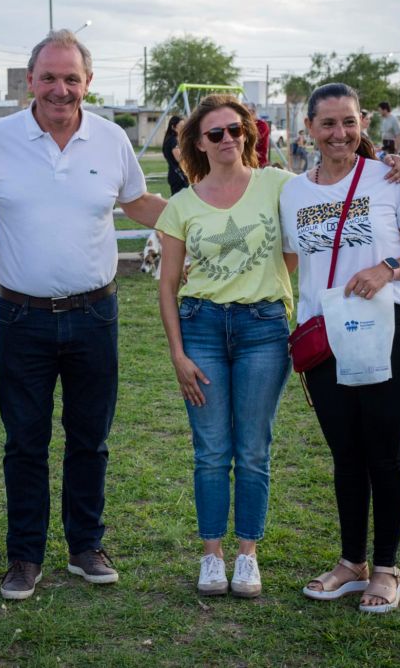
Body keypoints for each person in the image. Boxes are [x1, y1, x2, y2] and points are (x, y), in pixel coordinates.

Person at [0, 29, 166, 600]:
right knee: (23, 442)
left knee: (90, 440)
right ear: (29, 81)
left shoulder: (110, 139)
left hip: (94, 315)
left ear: (88, 83)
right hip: (21, 318)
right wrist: (4, 244)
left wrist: (200, 213)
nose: (60, 89)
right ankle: (25, 556)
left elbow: (138, 203)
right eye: (48, 77)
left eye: (71, 78)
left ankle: (85, 546)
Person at [280, 83, 400, 614]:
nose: (339, 133)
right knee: (345, 453)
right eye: (328, 123)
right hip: (325, 336)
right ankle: (352, 564)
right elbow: (284, 261)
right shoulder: (293, 192)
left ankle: (388, 568)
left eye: (348, 122)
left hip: (389, 328)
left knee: (384, 452)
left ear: (362, 124)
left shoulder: (389, 179)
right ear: (309, 130)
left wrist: (386, 268)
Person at [156, 94, 294, 598]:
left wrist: (386, 162)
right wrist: (177, 353)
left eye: (235, 130)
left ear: (248, 135)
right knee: (211, 450)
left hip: (263, 329)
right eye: (215, 133)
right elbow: (167, 286)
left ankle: (247, 556)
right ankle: (212, 556)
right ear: (197, 142)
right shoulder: (182, 205)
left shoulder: (277, 184)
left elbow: (332, 186)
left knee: (253, 449)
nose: (227, 140)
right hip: (202, 328)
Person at [162, 115, 189, 195]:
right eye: (181, 126)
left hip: (176, 174)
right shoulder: (173, 140)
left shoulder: (170, 139)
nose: (183, 129)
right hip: (178, 176)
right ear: (173, 127)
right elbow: (179, 158)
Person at [247, 103, 270, 167]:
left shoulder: (262, 124)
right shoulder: (243, 124)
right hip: (247, 162)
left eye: (246, 111)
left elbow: (253, 138)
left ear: (253, 112)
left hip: (260, 163)